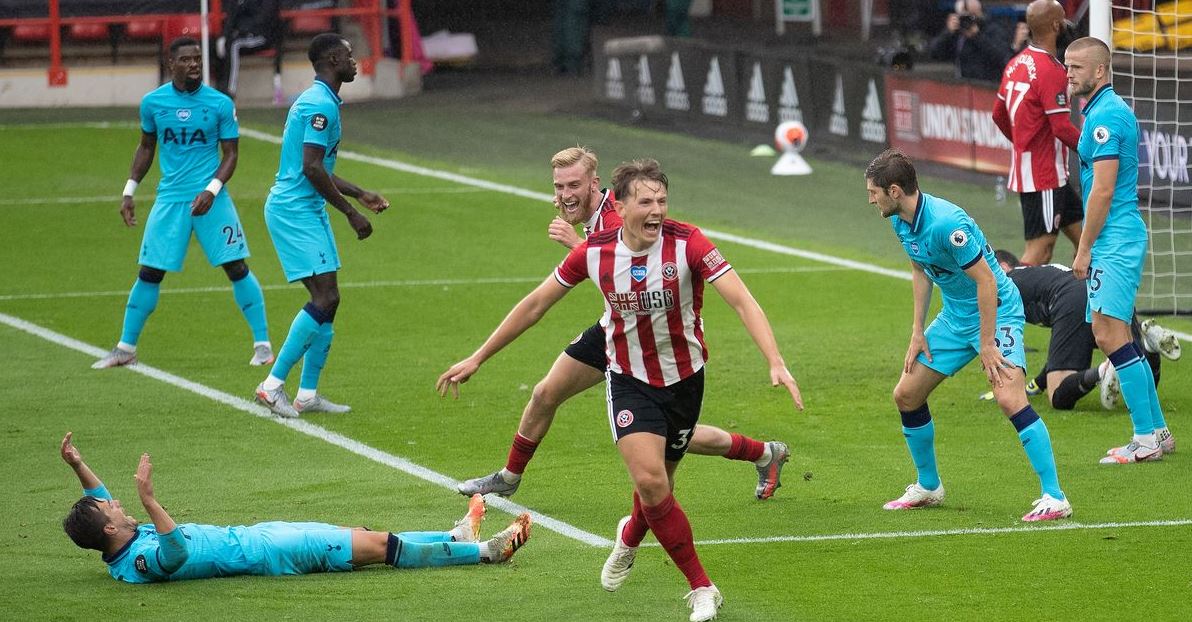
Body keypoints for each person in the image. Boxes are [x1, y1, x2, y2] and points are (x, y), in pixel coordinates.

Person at [437, 159, 803, 622]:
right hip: (628, 377)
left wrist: (775, 360)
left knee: (660, 488)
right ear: (623, 204)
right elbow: (534, 306)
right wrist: (477, 357)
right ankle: (702, 587)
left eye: (662, 201)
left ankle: (630, 535)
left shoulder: (688, 242)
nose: (656, 210)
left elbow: (741, 299)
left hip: (686, 379)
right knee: (649, 481)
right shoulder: (594, 250)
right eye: (646, 201)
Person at [455, 147, 792, 502]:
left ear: (595, 185)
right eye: (559, 187)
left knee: (663, 433)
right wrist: (479, 357)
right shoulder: (599, 220)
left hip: (659, 341)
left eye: (574, 185)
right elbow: (542, 301)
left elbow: (630, 269)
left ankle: (763, 453)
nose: (566, 195)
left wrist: (577, 248)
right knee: (545, 394)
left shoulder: (621, 219)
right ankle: (509, 477)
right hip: (615, 329)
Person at [865, 148, 1071, 522]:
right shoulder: (899, 221)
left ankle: (1055, 496)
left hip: (998, 311)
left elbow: (988, 281)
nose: (870, 199)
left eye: (873, 192)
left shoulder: (947, 223)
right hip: (955, 317)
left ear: (894, 191)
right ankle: (929, 486)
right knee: (906, 395)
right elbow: (919, 269)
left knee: (1009, 398)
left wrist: (987, 343)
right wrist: (916, 332)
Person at [59, 433, 531, 584]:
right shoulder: (141, 560)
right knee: (380, 546)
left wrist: (79, 465)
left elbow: (99, 500)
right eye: (113, 510)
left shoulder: (117, 547)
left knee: (363, 534)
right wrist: (149, 499)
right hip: (268, 554)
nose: (115, 503)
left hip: (261, 534)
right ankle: (483, 553)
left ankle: (454, 538)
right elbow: (177, 553)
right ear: (107, 532)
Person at [92, 37, 272, 371]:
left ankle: (263, 346)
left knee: (236, 267)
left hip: (212, 199)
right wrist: (129, 190)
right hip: (171, 199)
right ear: (170, 63)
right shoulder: (153, 103)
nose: (194, 64)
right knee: (150, 271)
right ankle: (125, 348)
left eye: (198, 59)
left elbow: (231, 154)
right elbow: (146, 147)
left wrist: (212, 189)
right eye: (187, 59)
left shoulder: (219, 103)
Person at [253, 33, 390, 418]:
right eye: (349, 55)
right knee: (325, 298)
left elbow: (320, 167)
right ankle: (271, 386)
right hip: (294, 210)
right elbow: (310, 168)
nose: (355, 61)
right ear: (332, 59)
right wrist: (350, 212)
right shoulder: (319, 106)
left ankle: (307, 394)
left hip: (305, 207)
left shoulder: (322, 100)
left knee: (330, 300)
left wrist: (360, 193)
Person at [1066, 37, 1174, 464]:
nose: (1069, 73)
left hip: (1114, 238)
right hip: (1119, 236)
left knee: (1109, 334)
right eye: (1067, 66)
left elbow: (1104, 190)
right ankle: (1158, 431)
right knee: (1116, 334)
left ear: (1099, 71)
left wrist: (1084, 247)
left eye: (1076, 67)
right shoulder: (1102, 111)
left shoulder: (1105, 117)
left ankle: (1144, 437)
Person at [984, 250, 1179, 416]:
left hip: (1072, 299)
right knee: (1141, 390)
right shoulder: (1043, 273)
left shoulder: (1004, 282)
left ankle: (1101, 372)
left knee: (1058, 397)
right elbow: (1059, 352)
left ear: (1001, 267)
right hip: (1102, 287)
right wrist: (1037, 383)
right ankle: (1149, 346)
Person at [992, 0, 1083, 266]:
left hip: (1044, 173)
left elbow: (998, 114)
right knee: (1040, 251)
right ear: (1056, 25)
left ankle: (1085, 301)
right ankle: (1009, 305)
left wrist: (1022, 143)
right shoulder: (1051, 70)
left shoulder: (1015, 63)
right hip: (1044, 176)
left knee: (1087, 240)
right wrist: (1096, 151)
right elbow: (1061, 128)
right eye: (1063, 19)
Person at [928, 0, 1016, 82]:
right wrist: (947, 32)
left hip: (987, 86)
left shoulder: (993, 29)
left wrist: (977, 36)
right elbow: (934, 53)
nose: (967, 21)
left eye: (969, 16)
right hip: (965, 85)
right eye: (963, 16)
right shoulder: (959, 34)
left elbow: (1002, 57)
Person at [213, 0, 283, 100]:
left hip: (262, 36)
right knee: (219, 45)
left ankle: (230, 90)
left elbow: (265, 18)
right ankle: (220, 86)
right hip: (242, 35)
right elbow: (231, 18)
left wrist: (244, 31)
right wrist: (224, 36)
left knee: (234, 45)